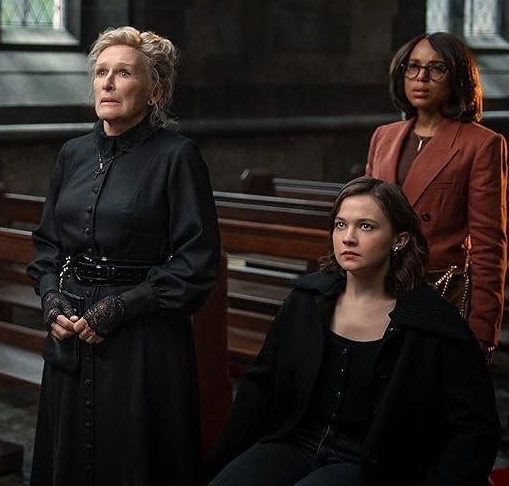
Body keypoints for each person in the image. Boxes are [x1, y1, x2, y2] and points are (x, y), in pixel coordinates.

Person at [206, 177, 500, 485]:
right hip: (297, 443)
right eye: (340, 225)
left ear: (399, 240)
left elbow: (475, 428)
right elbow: (259, 388)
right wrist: (222, 463)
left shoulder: (433, 324)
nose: (348, 238)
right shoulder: (306, 301)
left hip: (370, 462)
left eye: (366, 226)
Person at [26, 26, 221, 485]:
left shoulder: (177, 156)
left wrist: (120, 307)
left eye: (124, 73)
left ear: (156, 91)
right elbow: (48, 243)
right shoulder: (73, 153)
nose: (108, 83)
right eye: (101, 73)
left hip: (144, 340)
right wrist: (51, 299)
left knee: (135, 460)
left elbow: (196, 262)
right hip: (72, 330)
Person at [365, 32, 507, 356]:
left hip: (439, 296)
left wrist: (483, 331)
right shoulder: (383, 137)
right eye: (413, 67)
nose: (421, 77)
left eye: (436, 68)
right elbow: (365, 219)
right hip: (378, 290)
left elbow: (489, 245)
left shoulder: (482, 144)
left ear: (458, 77)